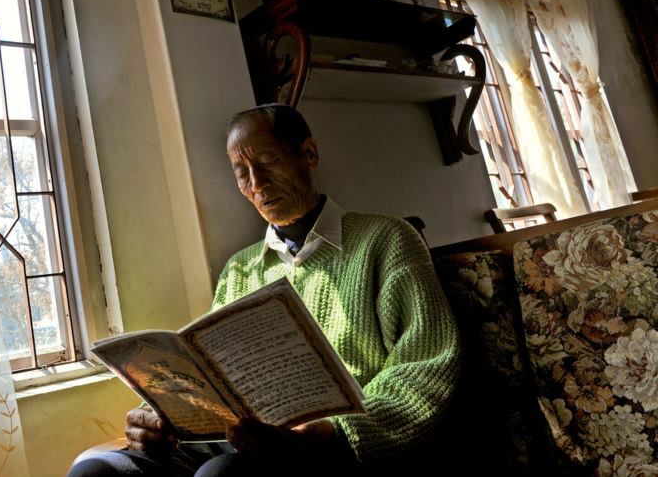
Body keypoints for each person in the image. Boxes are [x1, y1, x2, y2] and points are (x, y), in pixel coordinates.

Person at [69, 104, 460, 476]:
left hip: (332, 448)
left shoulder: (387, 240)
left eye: (268, 162)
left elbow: (426, 366)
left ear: (308, 154)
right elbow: (211, 374)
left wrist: (329, 434)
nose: (256, 184)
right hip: (236, 439)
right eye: (242, 173)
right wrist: (159, 413)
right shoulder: (239, 269)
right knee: (96, 470)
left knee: (221, 474)